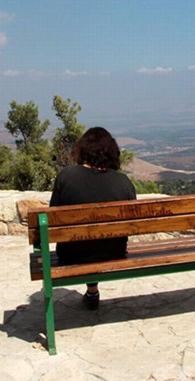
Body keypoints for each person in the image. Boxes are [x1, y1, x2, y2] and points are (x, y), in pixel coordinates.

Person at [49, 126, 136, 310]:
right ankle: (92, 291)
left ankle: (92, 291)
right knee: (98, 243)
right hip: (114, 253)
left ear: (83, 149)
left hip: (71, 255)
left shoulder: (66, 178)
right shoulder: (123, 183)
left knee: (87, 243)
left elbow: (52, 218)